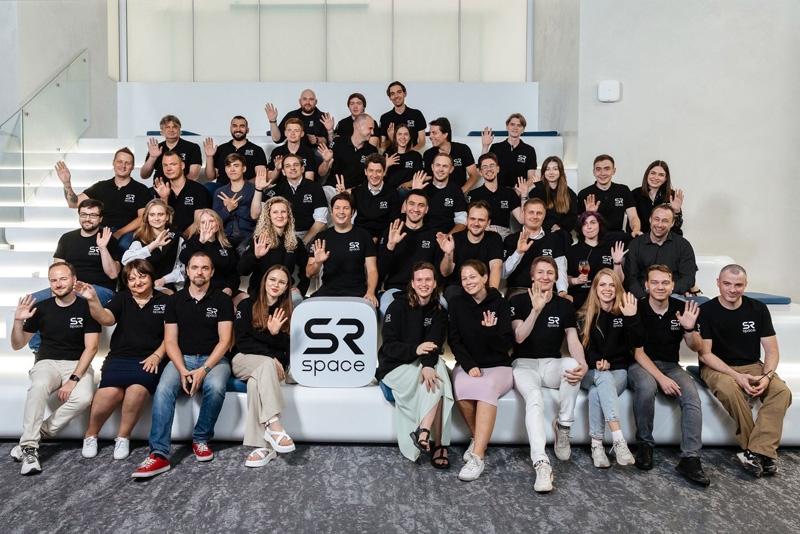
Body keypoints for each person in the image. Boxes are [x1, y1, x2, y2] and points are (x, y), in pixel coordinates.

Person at [132, 252, 234, 478]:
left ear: (212, 272)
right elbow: (170, 341)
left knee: (216, 386)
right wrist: (182, 369)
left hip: (214, 359)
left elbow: (225, 341)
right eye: (195, 267)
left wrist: (204, 370)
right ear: (187, 271)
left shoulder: (222, 300)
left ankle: (201, 438)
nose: (199, 272)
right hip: (182, 357)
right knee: (163, 389)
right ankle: (159, 454)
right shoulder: (175, 300)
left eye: (205, 268)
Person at [697, 264, 792, 478]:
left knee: (781, 391)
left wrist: (767, 377)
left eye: (738, 285)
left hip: (752, 365)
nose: (732, 289)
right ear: (718, 283)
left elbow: (772, 350)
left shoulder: (758, 308)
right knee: (730, 389)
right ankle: (759, 451)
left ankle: (755, 452)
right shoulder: (707, 311)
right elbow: (705, 355)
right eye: (727, 284)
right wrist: (737, 376)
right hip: (717, 367)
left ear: (745, 285)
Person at [9, 262, 100, 475]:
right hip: (47, 363)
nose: (58, 284)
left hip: (77, 364)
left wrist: (73, 380)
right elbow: (17, 345)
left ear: (74, 280)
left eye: (63, 279)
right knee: (38, 387)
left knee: (84, 397)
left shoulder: (87, 308)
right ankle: (30, 449)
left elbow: (92, 348)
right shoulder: (40, 308)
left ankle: (34, 435)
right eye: (53, 280)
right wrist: (17, 321)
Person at [75, 259, 168, 461]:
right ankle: (90, 435)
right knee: (109, 392)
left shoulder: (165, 300)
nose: (137, 282)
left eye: (142, 276)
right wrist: (93, 299)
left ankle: (123, 437)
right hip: (120, 357)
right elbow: (106, 319)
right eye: (131, 279)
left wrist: (157, 355)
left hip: (149, 359)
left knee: (137, 389)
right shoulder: (122, 298)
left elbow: (171, 336)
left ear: (151, 277)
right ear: (126, 283)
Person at [509, 256, 589, 492]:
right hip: (524, 364)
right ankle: (541, 462)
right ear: (532, 276)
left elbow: (572, 340)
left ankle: (563, 426)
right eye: (540, 272)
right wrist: (536, 311)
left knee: (572, 364)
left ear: (556, 277)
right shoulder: (518, 301)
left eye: (550, 273)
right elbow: (519, 337)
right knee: (535, 398)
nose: (545, 277)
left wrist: (583, 364)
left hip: (551, 363)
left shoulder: (564, 305)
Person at [628, 265, 709, 486]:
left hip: (672, 366)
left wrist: (689, 329)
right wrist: (661, 379)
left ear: (672, 285)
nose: (660, 287)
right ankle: (645, 445)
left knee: (691, 397)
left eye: (665, 282)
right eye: (654, 282)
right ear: (646, 285)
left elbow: (696, 347)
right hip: (641, 364)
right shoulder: (636, 309)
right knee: (647, 387)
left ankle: (690, 458)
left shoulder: (682, 308)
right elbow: (637, 352)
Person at [377, 262, 452, 469]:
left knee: (438, 370)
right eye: (419, 280)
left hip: (421, 364)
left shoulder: (439, 312)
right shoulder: (397, 306)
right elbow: (389, 346)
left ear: (435, 283)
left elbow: (434, 345)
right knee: (440, 374)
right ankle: (440, 444)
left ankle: (423, 432)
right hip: (394, 367)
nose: (423, 284)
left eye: (428, 279)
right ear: (412, 283)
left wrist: (427, 364)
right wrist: (416, 349)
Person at [448, 260, 514, 481]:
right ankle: (478, 438)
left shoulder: (500, 303)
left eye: (473, 277)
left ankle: (478, 456)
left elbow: (506, 345)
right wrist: (469, 366)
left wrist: (490, 332)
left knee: (485, 387)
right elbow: (455, 341)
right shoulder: (456, 304)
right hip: (469, 364)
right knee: (461, 385)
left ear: (485, 277)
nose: (468, 282)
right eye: (464, 278)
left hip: (498, 365)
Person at [26, 199, 121, 353]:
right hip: (70, 286)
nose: (87, 219)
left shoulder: (109, 239)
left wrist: (103, 248)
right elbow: (57, 267)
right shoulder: (67, 238)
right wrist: (60, 287)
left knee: (75, 301)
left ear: (100, 218)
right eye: (83, 214)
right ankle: (40, 351)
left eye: (92, 215)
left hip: (99, 289)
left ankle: (75, 352)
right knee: (32, 301)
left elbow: (112, 274)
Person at [577, 269, 644, 468]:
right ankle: (619, 440)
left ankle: (596, 446)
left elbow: (638, 342)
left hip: (617, 371)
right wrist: (597, 362)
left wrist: (632, 318)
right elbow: (583, 349)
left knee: (596, 392)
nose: (607, 289)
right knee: (602, 377)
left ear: (617, 288)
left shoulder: (626, 312)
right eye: (603, 284)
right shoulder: (583, 315)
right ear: (595, 288)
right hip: (590, 371)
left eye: (612, 285)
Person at [232, 265, 296, 468]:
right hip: (243, 360)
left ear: (286, 287)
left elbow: (286, 349)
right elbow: (243, 342)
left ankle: (262, 447)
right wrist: (270, 349)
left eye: (282, 282)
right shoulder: (246, 305)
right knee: (266, 364)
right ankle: (274, 425)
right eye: (272, 280)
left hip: (270, 367)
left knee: (255, 384)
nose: (276, 285)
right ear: (265, 282)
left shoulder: (287, 311)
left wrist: (275, 334)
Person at [55, 148, 149, 251]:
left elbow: (142, 218)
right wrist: (67, 184)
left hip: (127, 232)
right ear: (113, 163)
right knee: (83, 245)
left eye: (127, 163)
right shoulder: (101, 186)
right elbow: (74, 203)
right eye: (119, 161)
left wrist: (120, 233)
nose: (123, 166)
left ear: (133, 166)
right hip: (101, 230)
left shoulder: (141, 189)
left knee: (124, 246)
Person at [377, 189, 441, 316]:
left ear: (426, 209)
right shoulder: (391, 231)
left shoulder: (434, 235)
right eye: (412, 204)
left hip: (425, 289)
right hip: (396, 289)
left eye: (421, 205)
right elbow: (382, 270)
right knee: (386, 308)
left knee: (443, 304)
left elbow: (439, 272)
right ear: (405, 206)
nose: (415, 209)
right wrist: (390, 246)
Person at [306, 193, 379, 306]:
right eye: (337, 208)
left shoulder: (364, 236)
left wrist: (370, 292)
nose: (341, 212)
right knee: (307, 308)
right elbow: (309, 273)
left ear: (352, 212)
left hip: (357, 292)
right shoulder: (321, 237)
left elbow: (372, 270)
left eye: (346, 208)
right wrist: (318, 263)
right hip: (328, 292)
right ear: (332, 212)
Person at [239, 196, 310, 303]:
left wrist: (301, 289)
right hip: (260, 293)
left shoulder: (295, 241)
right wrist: (255, 256)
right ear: (269, 216)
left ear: (288, 216)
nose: (280, 216)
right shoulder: (259, 240)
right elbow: (242, 270)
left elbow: (306, 268)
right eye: (275, 212)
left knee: (297, 299)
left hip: (284, 292)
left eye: (283, 212)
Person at [253, 153, 328, 248]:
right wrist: (258, 189)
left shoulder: (315, 188)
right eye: (288, 166)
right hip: (280, 235)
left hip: (308, 235)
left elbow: (321, 221)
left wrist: (303, 242)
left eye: (296, 165)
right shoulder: (276, 189)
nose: (292, 168)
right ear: (283, 171)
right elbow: (255, 215)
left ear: (302, 169)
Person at [624, 205, 697, 299]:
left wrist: (666, 291)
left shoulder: (683, 245)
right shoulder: (635, 244)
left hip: (672, 293)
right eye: (656, 219)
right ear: (650, 219)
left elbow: (688, 278)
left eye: (665, 221)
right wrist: (642, 298)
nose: (659, 224)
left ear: (672, 223)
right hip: (643, 293)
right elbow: (631, 278)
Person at [437, 200, 504, 304]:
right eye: (472, 219)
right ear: (467, 220)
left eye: (481, 220)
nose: (476, 223)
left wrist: (491, 295)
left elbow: (496, 266)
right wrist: (448, 254)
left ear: (488, 222)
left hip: (482, 286)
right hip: (457, 287)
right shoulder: (455, 238)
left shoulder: (494, 238)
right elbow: (445, 273)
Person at [502, 198, 568, 299]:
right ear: (523, 214)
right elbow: (503, 273)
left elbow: (560, 268)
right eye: (531, 212)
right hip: (519, 290)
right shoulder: (511, 239)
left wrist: (562, 291)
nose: (535, 216)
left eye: (539, 213)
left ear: (544, 215)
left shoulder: (554, 239)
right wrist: (518, 252)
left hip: (548, 291)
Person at [179, 209, 245, 307]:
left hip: (222, 290)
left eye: (211, 221)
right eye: (203, 222)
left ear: (218, 224)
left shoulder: (227, 245)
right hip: (198, 289)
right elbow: (184, 259)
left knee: (245, 300)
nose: (207, 225)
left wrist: (229, 287)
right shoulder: (191, 242)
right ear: (198, 226)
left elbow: (234, 273)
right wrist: (201, 242)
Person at [566, 211, 626, 310]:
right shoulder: (573, 250)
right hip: (581, 300)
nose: (589, 227)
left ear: (599, 225)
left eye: (593, 222)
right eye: (585, 224)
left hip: (605, 300)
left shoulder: (610, 249)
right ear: (581, 228)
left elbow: (619, 281)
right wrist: (576, 280)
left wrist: (617, 263)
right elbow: (564, 279)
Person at [122, 199, 185, 293]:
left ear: (167, 217)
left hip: (169, 287)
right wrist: (154, 245)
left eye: (160, 214)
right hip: (143, 288)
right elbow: (126, 261)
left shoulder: (177, 238)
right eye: (152, 215)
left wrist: (164, 280)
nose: (156, 218)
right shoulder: (140, 239)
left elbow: (182, 269)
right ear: (147, 217)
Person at [577, 155, 641, 241]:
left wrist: (636, 229)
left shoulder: (623, 190)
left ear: (613, 171)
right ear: (594, 172)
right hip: (594, 238)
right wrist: (589, 214)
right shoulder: (584, 194)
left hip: (617, 237)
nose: (602, 173)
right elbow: (578, 225)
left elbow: (633, 216)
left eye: (607, 169)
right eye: (598, 169)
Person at [151, 151, 212, 236]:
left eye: (173, 164)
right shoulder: (159, 189)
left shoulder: (198, 190)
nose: (168, 169)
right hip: (164, 236)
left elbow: (198, 222)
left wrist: (180, 239)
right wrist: (164, 198)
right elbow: (158, 221)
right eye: (165, 165)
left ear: (182, 165)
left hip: (191, 237)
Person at [202, 115, 268, 193]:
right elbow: (210, 177)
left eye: (242, 126)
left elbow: (261, 177)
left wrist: (240, 186)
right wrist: (209, 157)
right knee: (209, 187)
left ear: (247, 130)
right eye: (235, 126)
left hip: (246, 189)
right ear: (230, 129)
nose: (238, 129)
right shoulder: (221, 149)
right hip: (222, 189)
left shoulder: (257, 150)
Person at [347, 153, 402, 243]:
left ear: (384, 172)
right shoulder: (356, 192)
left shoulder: (392, 193)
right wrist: (343, 197)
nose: (374, 175)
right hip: (360, 236)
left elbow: (393, 222)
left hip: (383, 238)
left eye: (378, 171)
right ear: (366, 172)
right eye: (371, 170)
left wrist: (378, 238)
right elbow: (348, 217)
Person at [320, 114, 378, 194]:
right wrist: (326, 162)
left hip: (355, 192)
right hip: (333, 188)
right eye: (370, 128)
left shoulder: (372, 151)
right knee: (320, 194)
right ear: (359, 127)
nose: (372, 132)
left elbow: (370, 180)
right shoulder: (338, 142)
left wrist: (351, 191)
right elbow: (321, 173)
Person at [211, 153, 259, 249]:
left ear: (244, 169)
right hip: (225, 238)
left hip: (248, 237)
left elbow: (257, 218)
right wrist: (228, 209)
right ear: (225, 169)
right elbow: (215, 221)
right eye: (229, 166)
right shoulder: (219, 192)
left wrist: (235, 208)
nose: (232, 169)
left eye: (236, 166)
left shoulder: (255, 190)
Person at [412, 153, 467, 235]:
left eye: (445, 166)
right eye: (438, 165)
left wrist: (447, 238)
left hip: (446, 235)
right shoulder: (422, 187)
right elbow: (405, 213)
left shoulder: (456, 191)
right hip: (422, 234)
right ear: (432, 167)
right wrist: (414, 191)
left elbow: (461, 223)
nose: (441, 169)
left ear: (451, 169)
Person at [466, 152, 518, 239]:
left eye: (492, 166)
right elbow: (469, 221)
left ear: (498, 169)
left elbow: (521, 219)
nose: (489, 169)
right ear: (480, 172)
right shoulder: (473, 194)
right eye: (485, 167)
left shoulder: (509, 192)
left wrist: (524, 195)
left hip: (503, 234)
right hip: (482, 232)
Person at [480, 113, 538, 188]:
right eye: (512, 124)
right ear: (507, 127)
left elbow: (531, 177)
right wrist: (485, 146)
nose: (515, 128)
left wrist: (520, 190)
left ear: (523, 129)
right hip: (498, 191)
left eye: (519, 125)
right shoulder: (496, 147)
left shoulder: (529, 150)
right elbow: (483, 166)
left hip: (519, 192)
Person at [423, 117, 478, 193]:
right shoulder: (428, 154)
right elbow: (429, 179)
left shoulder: (463, 149)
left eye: (434, 133)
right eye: (430, 133)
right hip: (437, 194)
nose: (430, 136)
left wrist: (459, 193)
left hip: (459, 193)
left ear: (445, 134)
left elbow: (473, 176)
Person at [140, 115, 202, 181]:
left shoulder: (192, 147)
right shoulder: (156, 148)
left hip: (183, 186)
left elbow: (193, 174)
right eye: (167, 127)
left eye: (174, 127)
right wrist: (152, 158)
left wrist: (180, 185)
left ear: (180, 131)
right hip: (159, 186)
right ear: (162, 132)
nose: (171, 130)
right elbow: (144, 175)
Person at [265, 89, 334, 148]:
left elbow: (329, 142)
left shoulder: (323, 117)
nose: (307, 102)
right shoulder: (291, 115)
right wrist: (272, 121)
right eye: (304, 99)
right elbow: (277, 139)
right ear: (300, 101)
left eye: (311, 99)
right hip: (293, 151)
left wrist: (317, 140)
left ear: (316, 102)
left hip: (316, 151)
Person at [527, 156, 578, 234]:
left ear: (560, 171)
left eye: (555, 169)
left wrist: (560, 226)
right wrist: (541, 189)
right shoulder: (536, 191)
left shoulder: (569, 193)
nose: (551, 172)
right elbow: (536, 213)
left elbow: (572, 216)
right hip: (540, 230)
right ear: (544, 172)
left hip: (561, 231)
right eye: (547, 169)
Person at [632, 160, 684, 236]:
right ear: (647, 175)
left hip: (665, 239)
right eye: (653, 173)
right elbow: (631, 220)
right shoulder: (635, 193)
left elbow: (676, 227)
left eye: (661, 175)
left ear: (665, 179)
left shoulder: (671, 195)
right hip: (641, 237)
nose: (656, 177)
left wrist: (676, 211)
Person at [267, 118, 320, 183]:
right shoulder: (277, 152)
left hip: (302, 187)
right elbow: (269, 180)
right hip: (280, 187)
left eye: (296, 131)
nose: (292, 133)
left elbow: (309, 180)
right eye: (289, 130)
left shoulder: (308, 152)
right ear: (285, 133)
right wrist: (277, 170)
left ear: (302, 134)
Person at [379, 81, 427, 152]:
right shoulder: (385, 118)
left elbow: (422, 142)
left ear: (405, 93)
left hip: (412, 155)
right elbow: (382, 147)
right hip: (393, 156)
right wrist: (391, 139)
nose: (396, 96)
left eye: (399, 92)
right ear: (389, 97)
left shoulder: (416, 114)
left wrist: (409, 153)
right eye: (392, 94)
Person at [383, 123, 424, 198]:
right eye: (399, 134)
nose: (403, 137)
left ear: (410, 137)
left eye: (406, 134)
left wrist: (408, 184)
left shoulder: (416, 156)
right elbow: (379, 177)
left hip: (407, 191)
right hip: (389, 191)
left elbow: (419, 177)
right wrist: (386, 165)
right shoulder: (388, 154)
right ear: (395, 136)